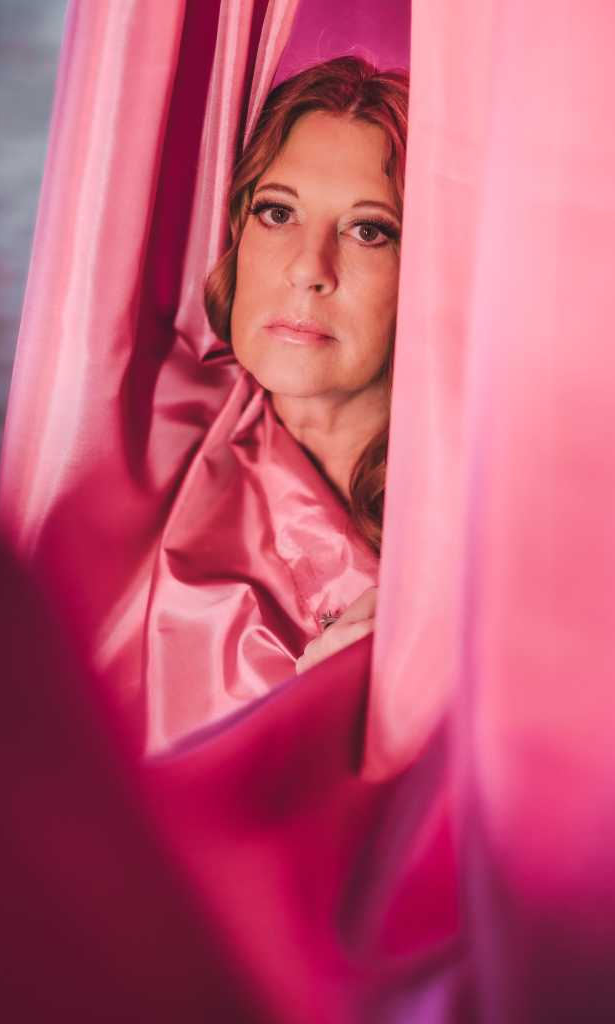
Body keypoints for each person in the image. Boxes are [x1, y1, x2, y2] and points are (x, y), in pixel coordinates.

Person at [142, 57, 409, 747]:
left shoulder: (492, 529)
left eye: (368, 230)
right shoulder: (141, 467)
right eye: (277, 212)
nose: (306, 269)